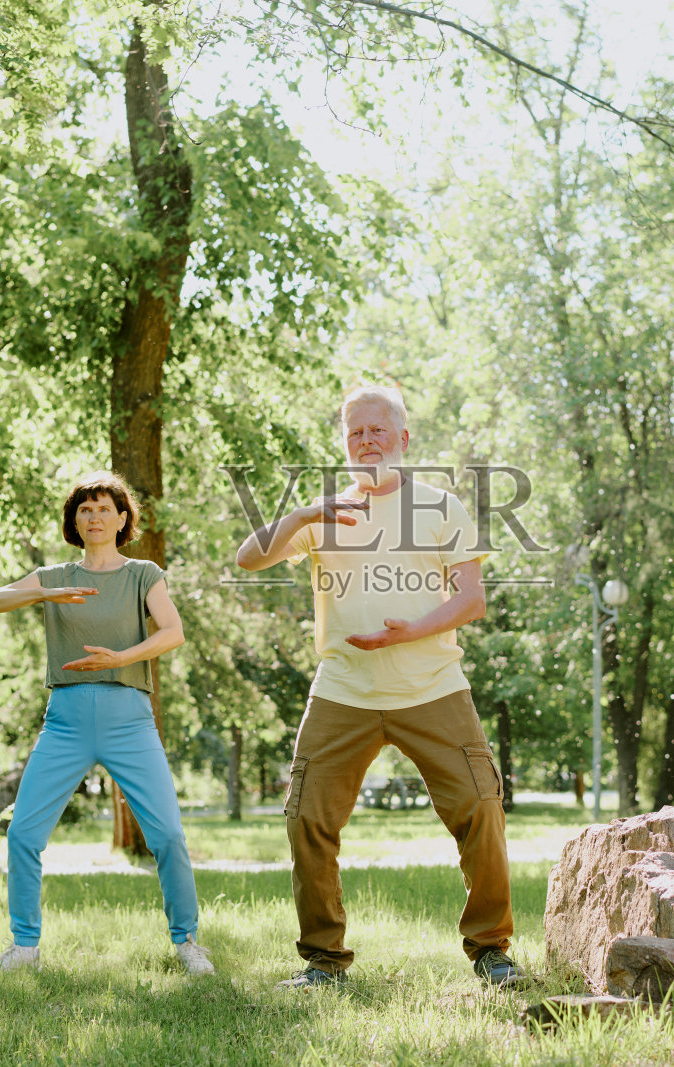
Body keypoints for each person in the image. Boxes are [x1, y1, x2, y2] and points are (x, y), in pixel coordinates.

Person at [235, 384, 520, 989]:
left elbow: (472, 599)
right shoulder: (326, 512)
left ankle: (492, 950)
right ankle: (323, 961)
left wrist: (410, 631)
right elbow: (247, 559)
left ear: (403, 439)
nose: (366, 441)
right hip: (342, 690)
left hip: (433, 685)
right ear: (344, 443)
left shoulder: (441, 507)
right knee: (307, 817)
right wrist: (306, 514)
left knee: (480, 807)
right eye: (354, 433)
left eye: (377, 431)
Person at [0, 471, 213, 977]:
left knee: (168, 835)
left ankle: (188, 942)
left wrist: (120, 657)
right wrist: (42, 596)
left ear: (122, 519)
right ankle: (24, 948)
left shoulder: (143, 574)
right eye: (85, 509)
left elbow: (172, 632)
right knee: (22, 834)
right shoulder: (54, 576)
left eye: (105, 507)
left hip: (129, 718)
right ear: (74, 521)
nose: (95, 516)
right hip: (64, 721)